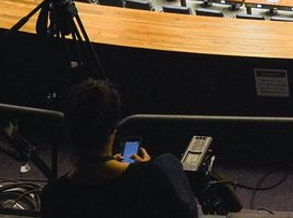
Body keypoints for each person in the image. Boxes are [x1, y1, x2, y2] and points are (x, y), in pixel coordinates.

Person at [41, 79, 198, 218]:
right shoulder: (147, 176)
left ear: (68, 131)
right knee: (168, 161)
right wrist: (145, 168)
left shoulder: (53, 195)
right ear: (113, 129)